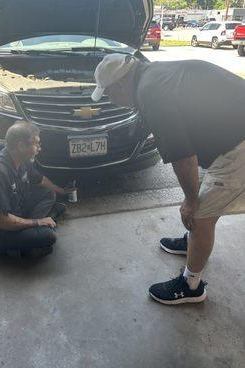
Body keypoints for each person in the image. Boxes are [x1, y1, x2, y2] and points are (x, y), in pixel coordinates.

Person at [91, 53, 245, 305]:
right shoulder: (154, 72)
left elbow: (183, 156)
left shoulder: (151, 94)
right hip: (233, 132)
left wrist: (191, 200)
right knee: (205, 204)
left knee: (199, 214)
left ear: (120, 85)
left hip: (238, 146)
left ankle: (191, 285)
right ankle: (193, 243)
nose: (111, 100)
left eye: (108, 94)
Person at [0, 121, 70, 257]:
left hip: (14, 210)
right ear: (21, 146)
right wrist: (38, 222)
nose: (39, 148)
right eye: (36, 143)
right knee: (49, 237)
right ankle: (39, 231)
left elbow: (40, 179)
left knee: (48, 192)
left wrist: (59, 190)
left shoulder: (20, 159)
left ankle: (35, 230)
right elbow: (2, 222)